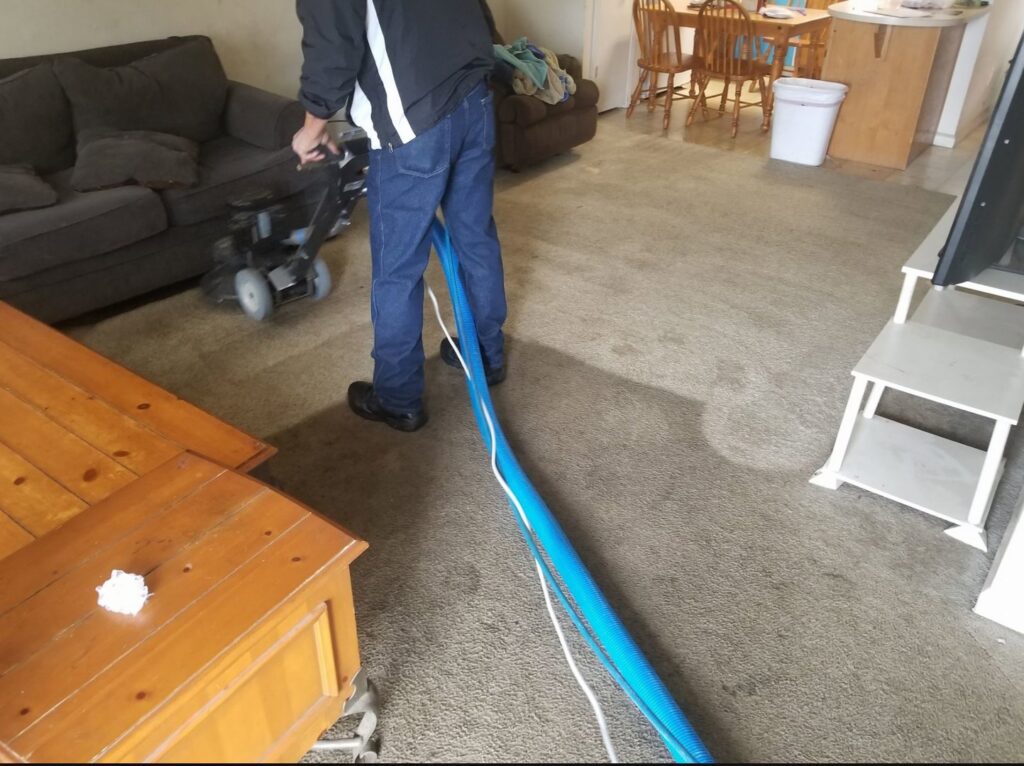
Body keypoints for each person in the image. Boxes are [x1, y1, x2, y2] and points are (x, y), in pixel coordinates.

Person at [293, 0, 508, 433]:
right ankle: (486, 353)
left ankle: (397, 397)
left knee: (398, 267)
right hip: (474, 96)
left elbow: (333, 46)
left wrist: (312, 128)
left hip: (413, 119)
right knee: (475, 236)